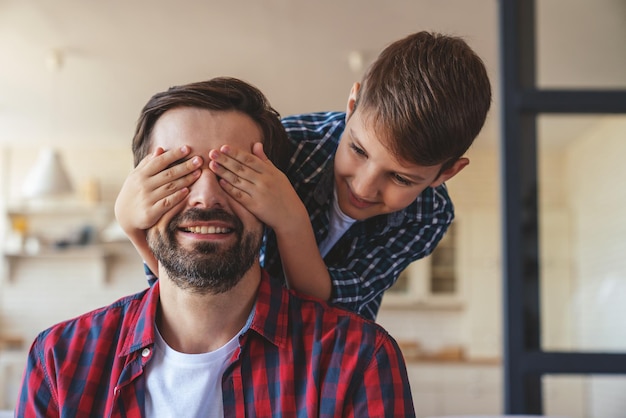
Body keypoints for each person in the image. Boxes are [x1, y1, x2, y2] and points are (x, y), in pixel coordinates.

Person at [15, 78, 415, 418]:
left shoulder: (358, 361)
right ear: (139, 192)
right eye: (177, 172)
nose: (205, 197)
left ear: (273, 196)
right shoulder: (59, 361)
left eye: (234, 173)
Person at [114, 31, 492, 321]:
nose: (363, 187)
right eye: (358, 151)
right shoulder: (287, 146)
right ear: (351, 104)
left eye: (401, 179)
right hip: (232, 331)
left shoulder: (428, 215)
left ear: (447, 173)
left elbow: (329, 303)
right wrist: (130, 224)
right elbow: (189, 273)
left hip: (330, 351)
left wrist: (290, 220)